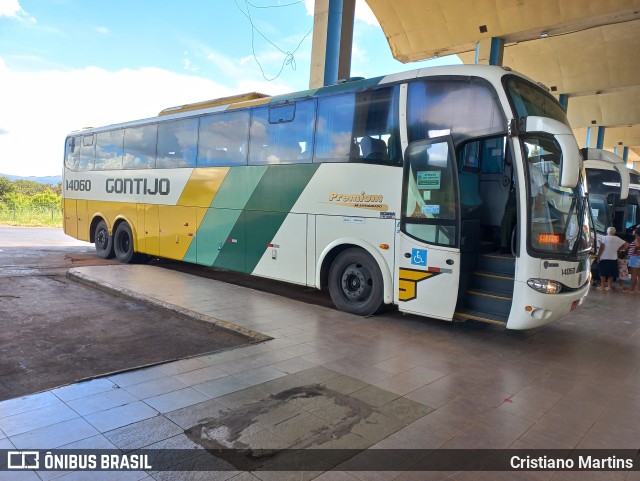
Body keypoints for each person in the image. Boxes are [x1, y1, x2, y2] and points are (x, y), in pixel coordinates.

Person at [596, 226, 629, 291]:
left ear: (607, 232)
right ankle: (609, 287)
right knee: (611, 273)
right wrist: (620, 249)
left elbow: (601, 248)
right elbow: (627, 244)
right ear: (614, 232)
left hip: (604, 257)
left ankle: (602, 286)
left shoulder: (604, 238)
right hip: (613, 258)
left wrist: (598, 256)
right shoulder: (617, 239)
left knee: (602, 273)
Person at [626, 228, 640, 293]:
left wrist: (635, 251)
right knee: (639, 275)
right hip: (638, 258)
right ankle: (638, 290)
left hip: (635, 258)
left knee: (634, 275)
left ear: (636, 233)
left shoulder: (637, 238)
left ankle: (631, 289)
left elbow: (637, 246)